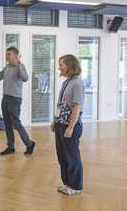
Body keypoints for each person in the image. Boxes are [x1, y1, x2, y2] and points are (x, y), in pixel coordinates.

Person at [0, 47, 35, 155]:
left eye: (9, 54)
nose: (7, 56)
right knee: (7, 124)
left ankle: (29, 143)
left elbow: (25, 78)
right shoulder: (6, 67)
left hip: (15, 99)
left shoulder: (21, 66)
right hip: (5, 98)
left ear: (15, 55)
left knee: (16, 124)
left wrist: (19, 64)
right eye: (6, 54)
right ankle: (10, 147)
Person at [51, 54, 85, 196]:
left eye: (61, 65)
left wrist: (71, 127)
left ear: (70, 66)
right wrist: (55, 120)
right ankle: (67, 183)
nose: (59, 68)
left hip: (70, 125)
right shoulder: (67, 81)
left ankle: (76, 186)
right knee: (62, 156)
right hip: (61, 123)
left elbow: (77, 107)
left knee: (71, 156)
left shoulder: (77, 82)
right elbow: (61, 104)